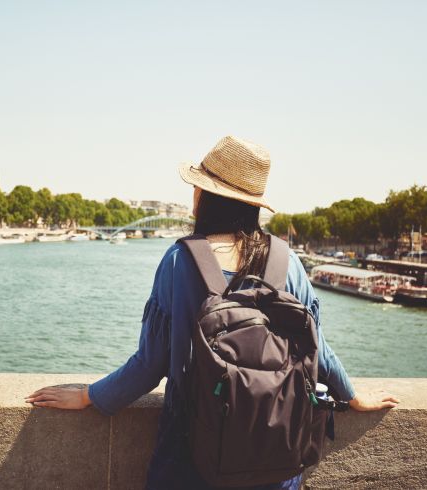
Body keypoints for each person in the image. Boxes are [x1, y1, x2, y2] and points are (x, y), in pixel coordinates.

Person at [26, 136, 400, 489]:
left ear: (206, 195)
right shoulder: (289, 262)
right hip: (276, 455)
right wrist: (352, 396)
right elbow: (317, 350)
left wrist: (91, 396)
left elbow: (150, 364)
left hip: (191, 457)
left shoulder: (179, 261)